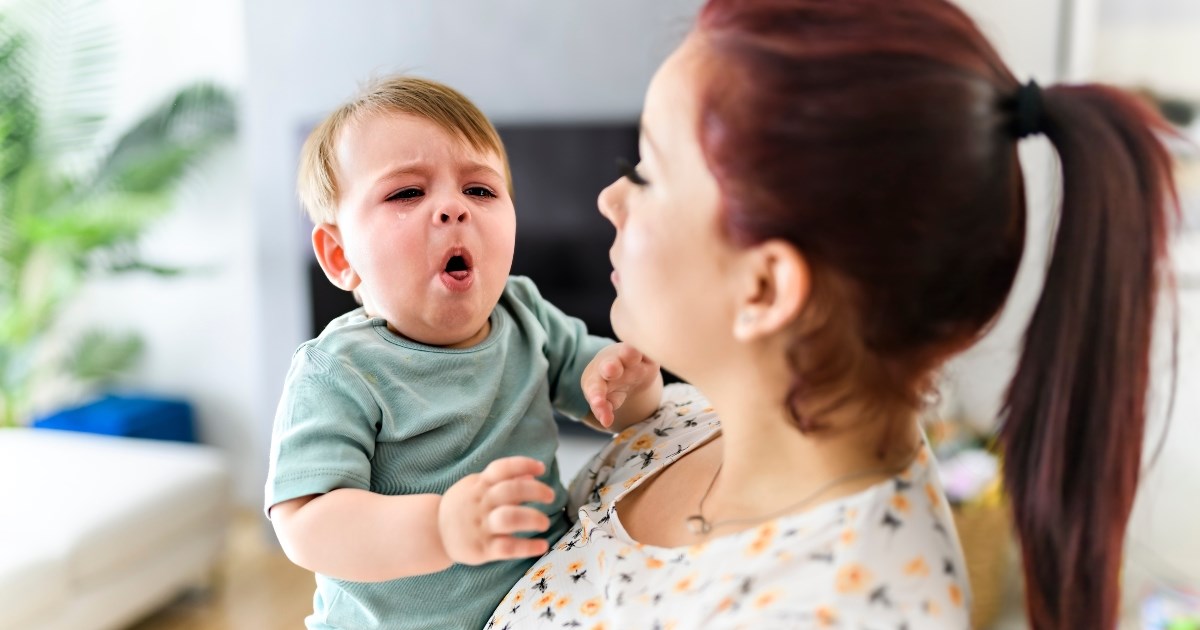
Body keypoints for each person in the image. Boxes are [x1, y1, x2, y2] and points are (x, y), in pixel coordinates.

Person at [489, 0, 1181, 628]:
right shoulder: (691, 422)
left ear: (765, 289)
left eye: (646, 170)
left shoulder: (838, 607)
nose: (611, 198)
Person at [263, 75, 663, 630]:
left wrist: (631, 384)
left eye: (480, 190)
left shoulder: (524, 312)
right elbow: (305, 524)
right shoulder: (340, 371)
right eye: (407, 192)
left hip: (537, 602)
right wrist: (440, 527)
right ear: (338, 254)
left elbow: (614, 408)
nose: (453, 208)